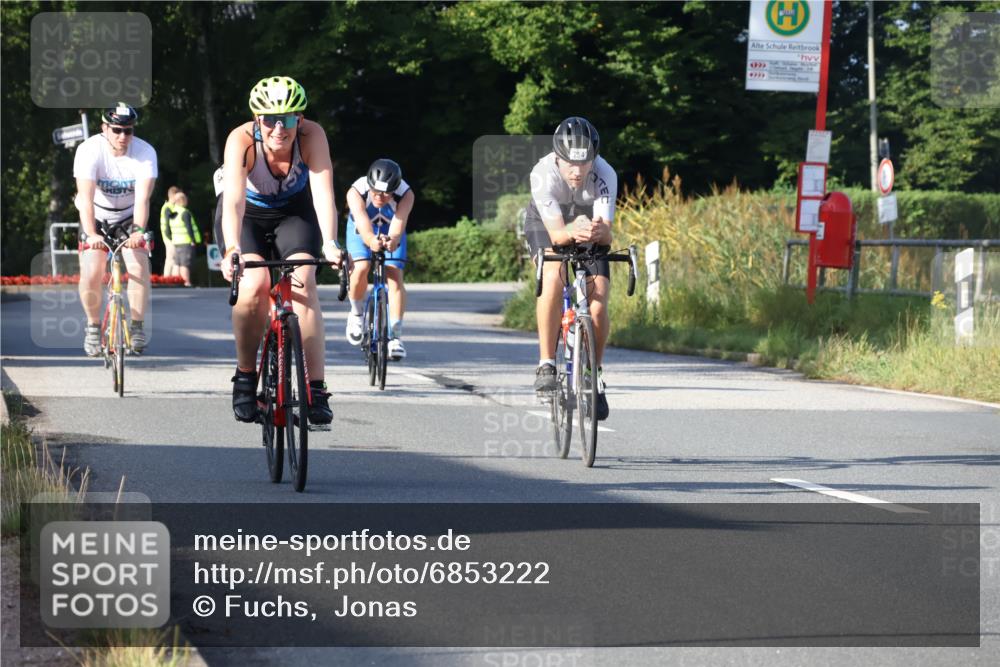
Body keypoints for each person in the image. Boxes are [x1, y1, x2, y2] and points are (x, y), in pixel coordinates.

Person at [216, 75, 347, 425]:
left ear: (299, 119)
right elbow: (233, 202)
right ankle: (246, 379)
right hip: (247, 217)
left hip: (293, 213)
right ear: (257, 119)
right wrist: (232, 247)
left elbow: (323, 195)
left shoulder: (312, 136)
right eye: (270, 119)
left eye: (287, 118)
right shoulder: (241, 140)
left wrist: (331, 243)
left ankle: (315, 389)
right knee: (254, 285)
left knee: (304, 281)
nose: (279, 128)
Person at [525, 116, 617, 420]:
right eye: (570, 164)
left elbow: (607, 234)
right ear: (558, 158)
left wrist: (600, 232)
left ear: (594, 159)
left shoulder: (605, 173)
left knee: (598, 298)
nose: (577, 171)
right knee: (553, 276)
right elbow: (557, 236)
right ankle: (546, 364)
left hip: (586, 219)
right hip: (547, 223)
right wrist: (571, 229)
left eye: (584, 163)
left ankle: (594, 374)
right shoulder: (542, 174)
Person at [74, 102, 157, 356]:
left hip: (129, 216)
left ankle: (137, 326)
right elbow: (85, 198)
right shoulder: (89, 150)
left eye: (128, 131)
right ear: (104, 128)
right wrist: (91, 234)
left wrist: (138, 231)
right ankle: (93, 326)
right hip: (97, 216)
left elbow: (143, 200)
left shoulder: (145, 152)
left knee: (138, 266)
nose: (123, 136)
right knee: (92, 271)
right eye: (117, 130)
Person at [344, 159, 415, 361]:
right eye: (375, 191)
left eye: (385, 193)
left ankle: (395, 336)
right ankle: (356, 314)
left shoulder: (406, 194)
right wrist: (370, 240)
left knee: (394, 275)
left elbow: (398, 224)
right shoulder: (356, 191)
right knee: (361, 267)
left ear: (395, 189)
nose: (379, 197)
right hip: (360, 229)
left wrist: (392, 240)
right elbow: (362, 222)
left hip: (390, 228)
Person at [162, 191, 201, 286]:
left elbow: (167, 229)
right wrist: (192, 240)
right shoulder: (184, 212)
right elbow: (189, 228)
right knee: (184, 264)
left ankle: (176, 282)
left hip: (176, 242)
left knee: (177, 263)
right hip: (185, 242)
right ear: (183, 200)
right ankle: (186, 282)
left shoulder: (172, 213)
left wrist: (171, 238)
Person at [159, 186, 181, 277]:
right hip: (169, 237)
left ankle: (173, 278)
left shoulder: (170, 206)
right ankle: (167, 278)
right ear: (173, 195)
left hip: (170, 236)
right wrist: (170, 237)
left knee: (173, 258)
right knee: (171, 258)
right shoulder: (168, 207)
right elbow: (167, 223)